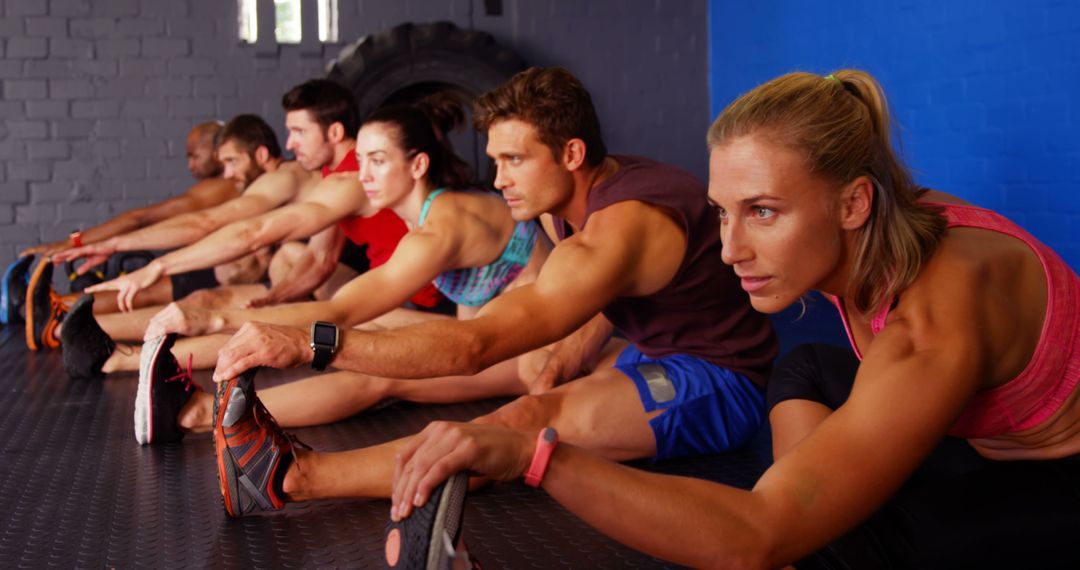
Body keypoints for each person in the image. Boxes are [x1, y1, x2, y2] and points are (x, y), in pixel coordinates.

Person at [387, 69, 1080, 568]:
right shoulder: (884, 223)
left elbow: (756, 534)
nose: (730, 249)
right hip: (971, 425)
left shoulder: (933, 321)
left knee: (851, 538)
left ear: (853, 204)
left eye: (764, 212)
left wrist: (533, 456)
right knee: (803, 368)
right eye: (724, 212)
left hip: (1058, 474)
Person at [205, 66, 777, 519]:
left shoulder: (618, 228)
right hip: (650, 349)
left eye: (515, 160)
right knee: (504, 387)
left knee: (524, 421)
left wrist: (312, 343)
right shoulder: (573, 199)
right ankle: (221, 427)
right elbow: (624, 286)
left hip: (721, 379)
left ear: (571, 154)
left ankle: (290, 478)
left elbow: (477, 344)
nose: (498, 178)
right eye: (497, 159)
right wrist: (579, 342)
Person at [132, 95, 553, 444]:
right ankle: (154, 365)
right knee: (368, 334)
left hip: (536, 356)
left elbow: (341, 314)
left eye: (378, 161)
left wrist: (211, 318)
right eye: (361, 161)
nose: (363, 176)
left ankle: (198, 413)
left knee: (374, 371)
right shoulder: (425, 216)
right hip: (490, 332)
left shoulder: (439, 230)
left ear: (418, 165)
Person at [59, 80, 442, 376]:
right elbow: (321, 258)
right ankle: (102, 345)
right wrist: (279, 297)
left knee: (290, 322)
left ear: (336, 133)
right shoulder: (335, 177)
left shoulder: (351, 181)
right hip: (391, 292)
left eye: (299, 132)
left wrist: (153, 264)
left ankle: (119, 356)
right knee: (270, 298)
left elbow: (250, 231)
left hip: (423, 310)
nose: (289, 143)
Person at [24, 114, 312, 352]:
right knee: (191, 303)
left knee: (194, 303)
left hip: (299, 289)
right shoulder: (268, 182)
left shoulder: (284, 176)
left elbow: (209, 223)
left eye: (232, 162)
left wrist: (112, 245)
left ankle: (64, 324)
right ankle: (60, 326)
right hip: (277, 281)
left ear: (260, 154)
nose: (226, 173)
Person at [0, 121, 236, 328]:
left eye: (194, 156)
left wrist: (71, 243)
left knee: (144, 289)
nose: (190, 166)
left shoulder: (221, 187)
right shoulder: (220, 186)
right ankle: (43, 309)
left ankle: (39, 310)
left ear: (216, 152)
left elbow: (141, 218)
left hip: (226, 270)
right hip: (216, 264)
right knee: (146, 285)